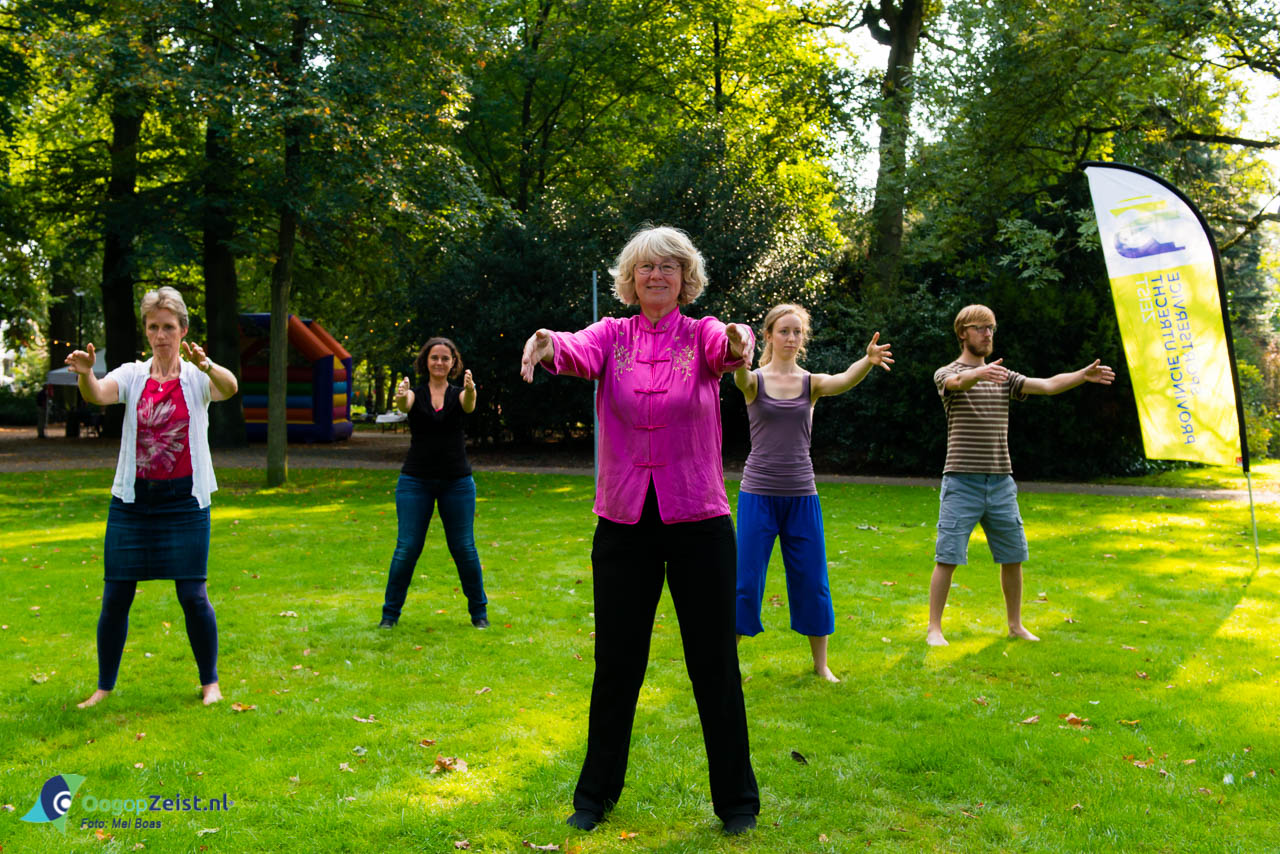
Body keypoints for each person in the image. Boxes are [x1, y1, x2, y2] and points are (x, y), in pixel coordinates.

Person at [520, 225, 760, 835]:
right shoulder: (613, 336)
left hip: (699, 521)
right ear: (630, 279)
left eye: (669, 268)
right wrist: (547, 342)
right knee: (617, 663)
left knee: (713, 663)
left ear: (686, 278)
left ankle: (737, 804)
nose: (657, 276)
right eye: (646, 268)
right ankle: (594, 797)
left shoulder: (702, 333)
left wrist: (739, 339)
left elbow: (729, 347)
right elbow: (575, 348)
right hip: (624, 522)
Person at [66, 286, 238, 707]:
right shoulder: (132, 374)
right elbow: (99, 393)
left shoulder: (198, 376)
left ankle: (210, 683)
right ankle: (104, 687)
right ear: (147, 332)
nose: (160, 335)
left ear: (182, 330)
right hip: (132, 505)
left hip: (185, 505)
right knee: (116, 596)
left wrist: (208, 363)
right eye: (153, 327)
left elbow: (229, 388)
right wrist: (87, 373)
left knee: (193, 596)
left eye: (168, 327)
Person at [927, 304, 1115, 647]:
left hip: (1001, 481)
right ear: (962, 333)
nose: (988, 334)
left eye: (992, 328)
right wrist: (978, 375)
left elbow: (1045, 385)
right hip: (961, 481)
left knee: (1013, 556)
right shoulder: (946, 372)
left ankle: (1015, 625)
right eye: (981, 328)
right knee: (948, 556)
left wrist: (1080, 376)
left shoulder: (1004, 376)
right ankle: (934, 629)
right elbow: (955, 382)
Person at [732, 304, 893, 682]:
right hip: (758, 495)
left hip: (802, 495)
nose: (791, 338)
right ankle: (729, 662)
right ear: (769, 335)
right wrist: (738, 354)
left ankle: (821, 666)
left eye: (797, 332)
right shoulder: (754, 380)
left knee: (811, 579)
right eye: (784, 331)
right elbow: (739, 378)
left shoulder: (811, 383)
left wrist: (867, 361)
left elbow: (844, 380)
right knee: (746, 579)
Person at [378, 337, 489, 630]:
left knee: (464, 548)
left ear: (453, 363)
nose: (439, 362)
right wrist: (400, 395)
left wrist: (470, 390)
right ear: (425, 361)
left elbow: (468, 405)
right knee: (407, 548)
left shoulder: (459, 394)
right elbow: (405, 404)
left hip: (457, 483)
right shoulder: (415, 394)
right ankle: (389, 616)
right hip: (416, 482)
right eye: (434, 357)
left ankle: (479, 614)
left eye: (445, 358)